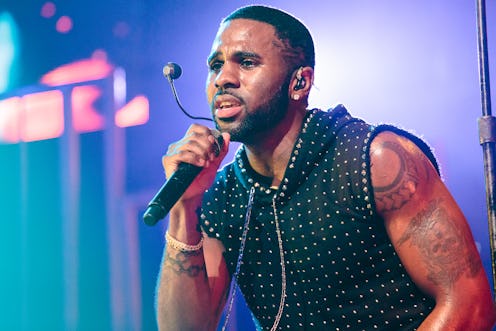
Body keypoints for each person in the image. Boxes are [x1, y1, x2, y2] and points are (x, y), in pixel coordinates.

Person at [155, 5, 496, 330]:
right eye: (215, 65)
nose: (223, 78)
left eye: (245, 62)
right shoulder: (223, 194)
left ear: (300, 83)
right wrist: (184, 208)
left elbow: (469, 305)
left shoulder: (376, 158)